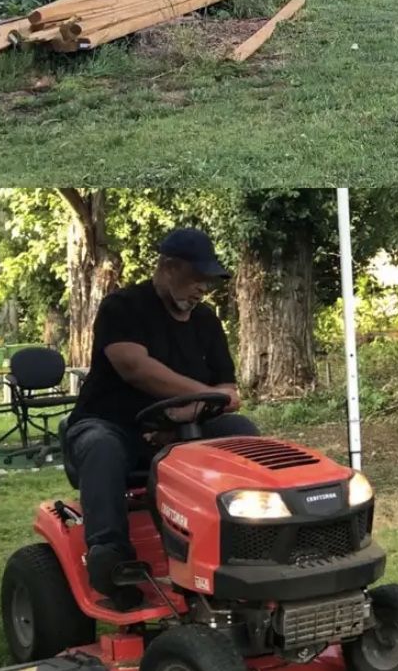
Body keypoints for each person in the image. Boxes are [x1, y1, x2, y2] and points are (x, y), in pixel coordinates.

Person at [64, 226, 258, 609]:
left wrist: (189, 413)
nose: (202, 288)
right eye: (196, 278)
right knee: (100, 446)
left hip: (181, 431)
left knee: (241, 432)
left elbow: (230, 392)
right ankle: (109, 555)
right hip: (112, 424)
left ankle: (248, 540)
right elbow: (135, 368)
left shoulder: (206, 322)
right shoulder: (123, 308)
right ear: (168, 267)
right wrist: (198, 397)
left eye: (209, 281)